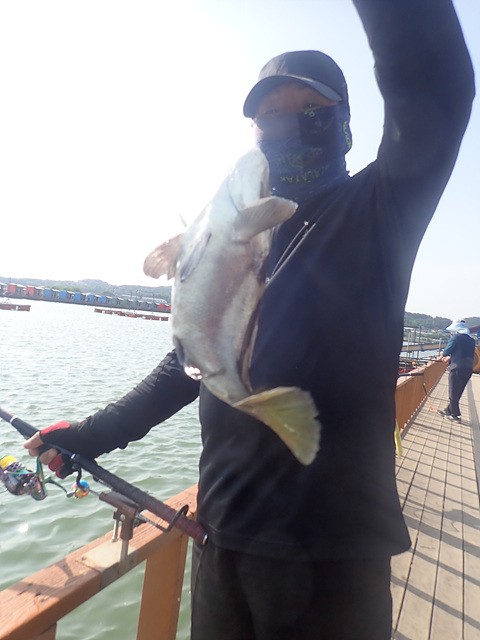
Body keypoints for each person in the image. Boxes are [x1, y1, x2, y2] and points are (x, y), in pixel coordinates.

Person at [24, 1, 474, 638]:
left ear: (345, 121)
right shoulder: (242, 238)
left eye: (309, 109)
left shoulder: (380, 209)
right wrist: (89, 435)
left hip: (335, 559)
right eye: (270, 116)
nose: (287, 125)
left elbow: (437, 87)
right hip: (221, 539)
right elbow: (191, 363)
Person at [438, 319, 476, 422]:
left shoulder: (456, 337)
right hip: (468, 369)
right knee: (458, 392)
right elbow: (464, 353)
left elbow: (446, 351)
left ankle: (456, 415)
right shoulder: (471, 340)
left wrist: (443, 356)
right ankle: (448, 410)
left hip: (456, 368)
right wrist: (451, 357)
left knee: (453, 392)